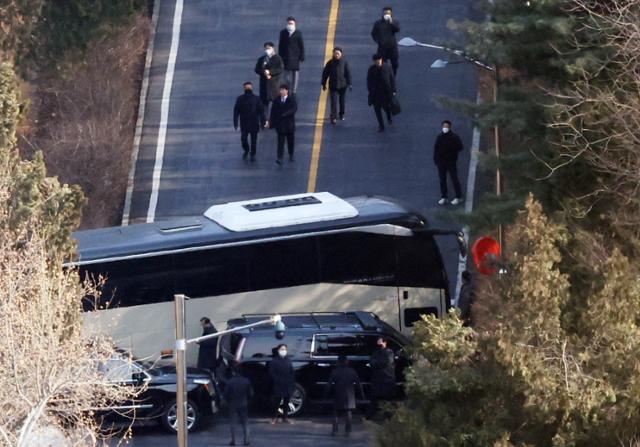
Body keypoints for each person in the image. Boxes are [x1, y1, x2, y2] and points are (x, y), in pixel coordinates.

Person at [325, 354, 364, 436]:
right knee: (348, 413)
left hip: (338, 394)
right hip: (349, 395)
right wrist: (362, 395)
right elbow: (358, 384)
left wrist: (325, 395)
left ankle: (335, 430)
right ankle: (348, 431)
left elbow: (329, 385)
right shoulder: (352, 371)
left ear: (338, 362)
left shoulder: (334, 371)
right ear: (347, 362)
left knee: (335, 413)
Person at [433, 120, 464, 205]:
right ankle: (444, 197)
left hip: (451, 162)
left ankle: (458, 197)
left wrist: (452, 152)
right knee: (442, 180)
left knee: (454, 179)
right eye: (444, 126)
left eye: (446, 126)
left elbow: (460, 147)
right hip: (441, 162)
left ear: (450, 127)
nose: (445, 128)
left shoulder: (454, 137)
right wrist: (436, 159)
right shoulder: (439, 137)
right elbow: (436, 149)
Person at [233, 82, 265, 161]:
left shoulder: (256, 99)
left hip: (254, 122)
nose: (247, 89)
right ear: (244, 88)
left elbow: (261, 111)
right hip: (245, 122)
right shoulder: (240, 99)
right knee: (244, 139)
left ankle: (253, 153)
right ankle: (247, 149)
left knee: (253, 140)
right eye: (246, 87)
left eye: (248, 87)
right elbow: (236, 111)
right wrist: (235, 123)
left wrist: (262, 122)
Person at [223, 362, 253, 446]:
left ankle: (234, 440)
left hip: (233, 404)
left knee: (233, 423)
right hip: (243, 403)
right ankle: (246, 440)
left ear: (233, 372)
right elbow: (250, 393)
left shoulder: (230, 382)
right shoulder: (246, 381)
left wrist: (227, 401)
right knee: (245, 422)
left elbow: (226, 394)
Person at [267, 84, 297, 165]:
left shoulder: (291, 99)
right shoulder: (276, 100)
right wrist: (271, 123)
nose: (281, 91)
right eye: (280, 90)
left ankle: (291, 154)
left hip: (289, 125)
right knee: (280, 143)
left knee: (291, 142)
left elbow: (294, 109)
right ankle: (279, 158)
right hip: (280, 125)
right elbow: (273, 112)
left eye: (283, 90)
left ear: (287, 91)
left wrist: (286, 114)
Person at [366, 337, 395, 419]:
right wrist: (377, 363)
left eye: (380, 342)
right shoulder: (376, 352)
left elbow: (386, 362)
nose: (379, 344)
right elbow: (372, 363)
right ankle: (370, 416)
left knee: (387, 399)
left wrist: (376, 363)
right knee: (375, 399)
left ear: (385, 342)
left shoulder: (389, 352)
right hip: (378, 379)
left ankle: (388, 417)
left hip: (387, 379)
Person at [322, 47, 352, 125]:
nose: (337, 55)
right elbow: (325, 74)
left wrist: (350, 84)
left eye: (338, 53)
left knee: (342, 101)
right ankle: (334, 117)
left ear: (341, 54)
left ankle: (341, 114)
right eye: (335, 53)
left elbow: (348, 73)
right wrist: (323, 83)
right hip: (333, 85)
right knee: (334, 102)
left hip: (343, 85)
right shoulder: (330, 63)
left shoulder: (344, 62)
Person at [367, 54, 395, 132]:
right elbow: (369, 81)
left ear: (381, 60)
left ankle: (389, 116)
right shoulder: (371, 70)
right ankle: (381, 126)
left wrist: (393, 90)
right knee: (377, 110)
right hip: (375, 94)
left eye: (378, 61)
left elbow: (392, 79)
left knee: (386, 107)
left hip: (385, 93)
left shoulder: (387, 67)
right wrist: (370, 91)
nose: (377, 63)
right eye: (376, 62)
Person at [267, 343, 295, 424]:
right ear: (278, 350)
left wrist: (291, 382)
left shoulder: (288, 360)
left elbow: (292, 372)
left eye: (285, 349)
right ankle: (274, 417)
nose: (284, 351)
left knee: (286, 402)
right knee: (276, 403)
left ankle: (285, 417)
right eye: (282, 349)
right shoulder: (274, 361)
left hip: (287, 384)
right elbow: (271, 373)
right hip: (278, 384)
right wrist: (277, 380)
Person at [278, 16, 305, 94]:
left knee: (295, 74)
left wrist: (302, 55)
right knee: (286, 75)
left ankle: (294, 90)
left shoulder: (298, 33)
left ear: (294, 23)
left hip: (295, 57)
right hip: (285, 57)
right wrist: (280, 57)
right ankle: (287, 89)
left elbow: (301, 45)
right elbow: (281, 45)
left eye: (292, 23)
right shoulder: (283, 32)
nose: (290, 25)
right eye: (289, 23)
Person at [255, 42, 284, 112]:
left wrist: (270, 72)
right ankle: (265, 120)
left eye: (269, 48)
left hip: (274, 84)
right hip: (264, 85)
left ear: (273, 48)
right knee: (264, 104)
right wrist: (264, 72)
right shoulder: (262, 59)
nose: (267, 50)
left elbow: (280, 69)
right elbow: (257, 69)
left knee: (276, 103)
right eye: (266, 48)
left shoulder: (277, 58)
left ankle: (276, 119)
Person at [371, 6, 400, 75]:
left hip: (392, 47)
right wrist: (378, 41)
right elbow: (373, 33)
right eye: (385, 13)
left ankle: (393, 76)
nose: (386, 14)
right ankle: (384, 76)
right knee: (383, 64)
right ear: (383, 13)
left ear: (391, 14)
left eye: (388, 13)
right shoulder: (378, 23)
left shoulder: (394, 21)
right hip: (382, 47)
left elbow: (397, 29)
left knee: (395, 64)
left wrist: (391, 23)